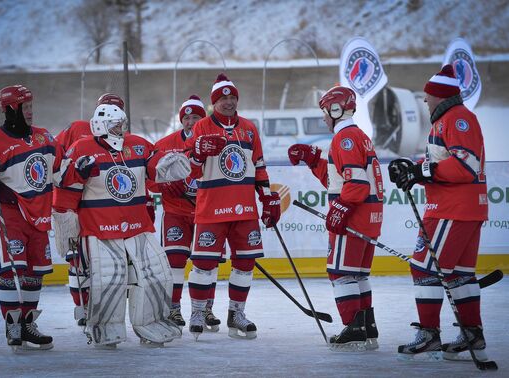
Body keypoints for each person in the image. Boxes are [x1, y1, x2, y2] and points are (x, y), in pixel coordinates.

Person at [55, 102, 190, 348]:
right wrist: (67, 219)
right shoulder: (81, 149)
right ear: (101, 125)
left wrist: (169, 162)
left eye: (123, 125)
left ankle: (152, 323)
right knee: (109, 280)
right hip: (99, 229)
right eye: (117, 125)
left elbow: (154, 165)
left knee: (156, 274)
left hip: (138, 225)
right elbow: (64, 188)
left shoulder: (136, 144)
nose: (121, 130)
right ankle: (107, 329)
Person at [390, 65, 489, 361]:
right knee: (459, 275)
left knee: (423, 268)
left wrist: (422, 171)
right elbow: (440, 161)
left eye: (428, 96)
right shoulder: (447, 119)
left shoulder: (457, 118)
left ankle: (429, 334)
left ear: (440, 97)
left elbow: (465, 164)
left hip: (452, 208)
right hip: (462, 208)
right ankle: (472, 334)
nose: (425, 101)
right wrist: (414, 169)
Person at [0, 85, 62, 350]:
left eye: (31, 105)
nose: (30, 111)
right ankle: (13, 325)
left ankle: (28, 323)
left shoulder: (44, 137)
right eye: (25, 106)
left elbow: (62, 169)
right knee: (10, 271)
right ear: (10, 109)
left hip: (39, 216)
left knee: (34, 273)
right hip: (8, 214)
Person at [184, 73, 281, 340]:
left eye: (232, 97)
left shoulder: (249, 128)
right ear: (214, 102)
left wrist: (267, 197)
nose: (229, 102)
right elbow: (190, 172)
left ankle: (236, 314)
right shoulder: (201, 127)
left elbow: (259, 165)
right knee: (203, 264)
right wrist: (198, 153)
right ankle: (197, 312)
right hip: (211, 208)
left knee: (245, 263)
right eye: (223, 98)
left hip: (244, 209)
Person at [287, 85, 384, 351]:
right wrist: (313, 158)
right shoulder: (359, 136)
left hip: (355, 218)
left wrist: (340, 209)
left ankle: (354, 328)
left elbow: (356, 184)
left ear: (336, 109)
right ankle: (366, 326)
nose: (323, 118)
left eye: (325, 111)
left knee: (340, 274)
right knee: (359, 275)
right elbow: (338, 179)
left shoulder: (345, 138)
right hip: (370, 218)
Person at [52, 93, 156, 327]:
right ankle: (82, 305)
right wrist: (64, 209)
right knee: (78, 263)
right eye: (106, 108)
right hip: (81, 208)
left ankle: (109, 309)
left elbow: (140, 173)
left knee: (118, 266)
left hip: (118, 210)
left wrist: (145, 203)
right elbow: (57, 163)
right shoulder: (77, 130)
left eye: (115, 108)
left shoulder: (128, 139)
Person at [151, 95, 221, 331]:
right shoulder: (164, 144)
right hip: (176, 212)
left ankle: (205, 309)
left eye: (196, 117)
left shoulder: (215, 142)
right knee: (175, 261)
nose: (191, 122)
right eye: (187, 118)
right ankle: (173, 309)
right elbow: (148, 178)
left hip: (207, 214)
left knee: (208, 263)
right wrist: (164, 184)